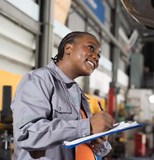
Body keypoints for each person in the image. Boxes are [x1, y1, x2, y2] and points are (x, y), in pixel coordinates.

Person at [10, 31, 114, 160]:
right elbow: (27, 134)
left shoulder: (78, 93)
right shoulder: (39, 79)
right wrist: (88, 126)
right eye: (91, 48)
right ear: (68, 48)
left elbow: (84, 141)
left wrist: (99, 141)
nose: (96, 57)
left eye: (98, 55)